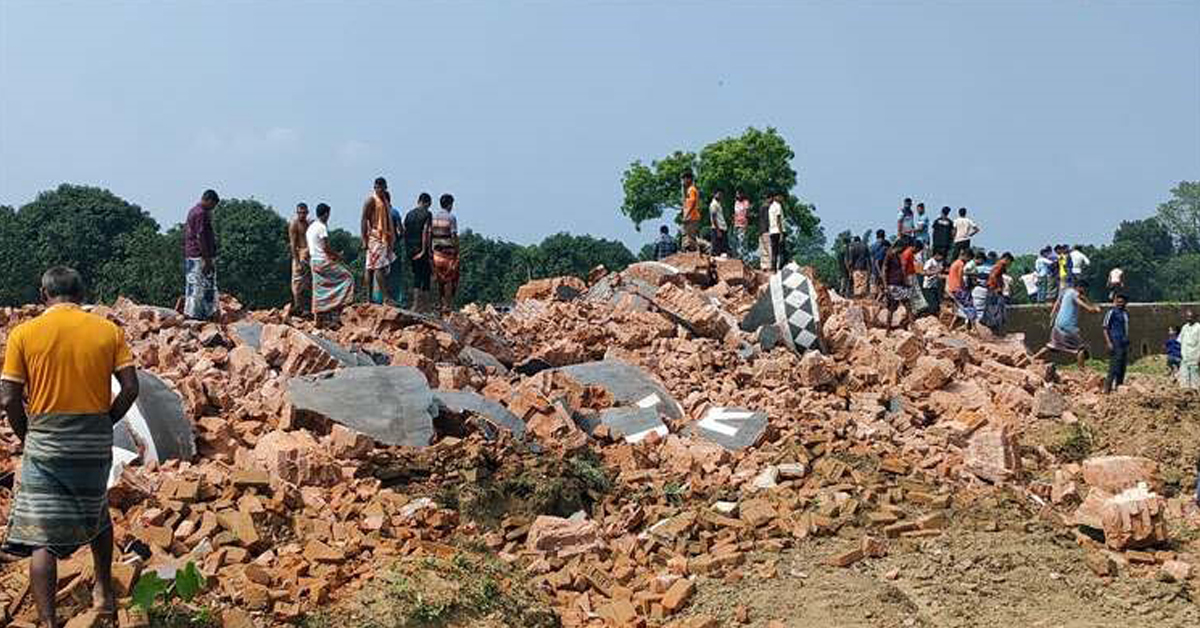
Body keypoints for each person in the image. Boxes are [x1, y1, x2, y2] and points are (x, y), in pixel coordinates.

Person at [1, 267, 139, 628]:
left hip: (46, 439)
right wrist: (104, 422)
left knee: (40, 535)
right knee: (97, 512)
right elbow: (131, 389)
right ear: (80, 294)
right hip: (93, 439)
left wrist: (25, 434)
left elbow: (9, 397)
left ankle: (48, 622)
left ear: (43, 294)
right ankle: (105, 592)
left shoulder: (24, 333)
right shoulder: (108, 331)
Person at [1033, 279, 1101, 369]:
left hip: (1058, 324)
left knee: (1052, 346)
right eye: (1084, 289)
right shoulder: (1074, 294)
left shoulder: (1066, 291)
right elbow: (1086, 307)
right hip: (1068, 326)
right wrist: (1095, 309)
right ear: (1080, 287)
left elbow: (1057, 304)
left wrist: (1052, 317)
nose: (1084, 291)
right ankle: (1081, 369)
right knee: (1081, 348)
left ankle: (1033, 358)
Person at [307, 203, 355, 326]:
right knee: (347, 278)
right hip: (323, 261)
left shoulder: (311, 227)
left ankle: (318, 317)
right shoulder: (322, 227)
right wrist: (337, 255)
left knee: (318, 288)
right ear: (326, 214)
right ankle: (339, 310)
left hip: (314, 261)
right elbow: (325, 247)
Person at [183, 189, 220, 321]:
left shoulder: (193, 211)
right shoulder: (201, 214)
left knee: (194, 285)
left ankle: (194, 313)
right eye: (213, 205)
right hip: (199, 256)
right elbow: (201, 236)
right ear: (208, 200)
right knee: (203, 286)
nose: (212, 209)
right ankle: (200, 315)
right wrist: (207, 260)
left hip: (192, 254)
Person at [361, 177, 397, 305]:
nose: (380, 189)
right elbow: (364, 219)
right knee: (377, 267)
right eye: (378, 187)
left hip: (383, 237)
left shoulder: (385, 200)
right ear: (375, 187)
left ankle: (370, 298)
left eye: (383, 187)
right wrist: (364, 239)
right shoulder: (371, 200)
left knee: (372, 266)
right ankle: (383, 297)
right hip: (375, 236)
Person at [403, 193, 434, 312]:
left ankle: (415, 305)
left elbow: (405, 232)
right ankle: (425, 306)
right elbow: (427, 232)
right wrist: (425, 250)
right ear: (427, 203)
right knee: (425, 277)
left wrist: (408, 250)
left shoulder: (409, 215)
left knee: (416, 276)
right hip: (422, 250)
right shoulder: (427, 214)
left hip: (411, 250)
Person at [431, 193, 461, 314]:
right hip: (448, 254)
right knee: (449, 280)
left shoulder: (434, 217)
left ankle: (440, 303)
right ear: (449, 204)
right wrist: (457, 250)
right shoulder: (451, 218)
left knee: (439, 280)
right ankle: (447, 306)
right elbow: (453, 235)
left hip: (436, 253)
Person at [1103, 294, 1131, 394]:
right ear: (1115, 302)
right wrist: (1109, 342)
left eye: (1122, 302)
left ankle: (1119, 387)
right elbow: (1105, 328)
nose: (1120, 304)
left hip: (1124, 343)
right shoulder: (1111, 312)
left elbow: (1126, 329)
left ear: (1125, 303)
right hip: (1115, 342)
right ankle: (1107, 388)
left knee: (1122, 366)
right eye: (1118, 302)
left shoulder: (1125, 313)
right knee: (1114, 365)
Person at [882, 240, 913, 330]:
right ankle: (888, 330)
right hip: (893, 285)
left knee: (908, 307)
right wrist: (885, 286)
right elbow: (884, 270)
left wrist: (905, 283)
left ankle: (912, 327)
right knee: (892, 308)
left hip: (900, 285)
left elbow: (901, 271)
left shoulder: (898, 256)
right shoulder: (889, 255)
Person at [980, 252, 1013, 333]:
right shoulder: (1000, 265)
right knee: (996, 309)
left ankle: (993, 327)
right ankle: (993, 327)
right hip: (994, 290)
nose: (1009, 264)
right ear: (1006, 259)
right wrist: (997, 287)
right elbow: (993, 276)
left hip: (992, 289)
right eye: (1010, 262)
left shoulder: (997, 265)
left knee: (993, 308)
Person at [288, 202, 311, 314]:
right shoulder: (294, 224)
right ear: (297, 213)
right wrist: (297, 262)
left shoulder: (309, 223)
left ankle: (307, 308)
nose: (302, 215)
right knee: (297, 281)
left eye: (304, 212)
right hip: (299, 252)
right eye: (300, 212)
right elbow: (292, 244)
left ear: (307, 213)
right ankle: (298, 306)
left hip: (309, 253)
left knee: (308, 282)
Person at [901, 240, 928, 317]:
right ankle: (915, 311)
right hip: (909, 276)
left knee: (915, 292)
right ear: (915, 247)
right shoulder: (907, 253)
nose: (917, 252)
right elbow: (903, 267)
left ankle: (917, 310)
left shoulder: (909, 253)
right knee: (913, 293)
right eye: (918, 250)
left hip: (911, 275)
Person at [680, 171, 701, 252]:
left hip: (691, 217)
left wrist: (687, 215)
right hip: (691, 216)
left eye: (684, 179)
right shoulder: (689, 190)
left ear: (689, 179)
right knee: (689, 237)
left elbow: (693, 202)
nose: (683, 182)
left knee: (689, 237)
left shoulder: (691, 189)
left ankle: (692, 254)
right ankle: (691, 252)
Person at [1180, 310, 1200, 390]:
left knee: (1195, 381)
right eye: (1187, 317)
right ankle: (1186, 398)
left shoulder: (1198, 328)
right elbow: (1180, 341)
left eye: (1190, 317)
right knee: (1184, 381)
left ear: (1195, 317)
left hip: (1195, 358)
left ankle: (1196, 399)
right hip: (1185, 358)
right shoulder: (1185, 327)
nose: (1189, 318)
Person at [922, 249, 945, 315]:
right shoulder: (930, 262)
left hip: (935, 285)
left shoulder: (940, 262)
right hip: (928, 285)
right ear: (936, 255)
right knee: (932, 303)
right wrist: (935, 272)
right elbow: (925, 272)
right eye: (940, 256)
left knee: (937, 303)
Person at [869, 229, 890, 296]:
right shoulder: (887, 245)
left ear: (876, 236)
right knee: (884, 290)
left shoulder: (872, 246)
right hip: (884, 271)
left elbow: (872, 260)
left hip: (874, 271)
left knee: (875, 290)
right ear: (884, 236)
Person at [768, 192, 785, 271]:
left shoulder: (771, 207)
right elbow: (778, 219)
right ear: (776, 197)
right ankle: (780, 268)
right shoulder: (778, 206)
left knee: (774, 251)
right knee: (781, 251)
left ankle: (773, 268)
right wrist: (781, 233)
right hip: (778, 231)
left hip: (772, 231)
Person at [709, 190, 728, 257]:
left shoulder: (718, 204)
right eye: (718, 194)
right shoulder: (714, 204)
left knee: (723, 250)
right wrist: (718, 230)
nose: (720, 196)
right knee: (717, 250)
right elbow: (714, 218)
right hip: (718, 228)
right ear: (714, 194)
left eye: (721, 194)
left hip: (722, 227)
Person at [733, 190, 750, 257]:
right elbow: (735, 213)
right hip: (736, 224)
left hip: (743, 224)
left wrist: (746, 224)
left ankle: (743, 257)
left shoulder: (746, 202)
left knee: (742, 241)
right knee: (736, 241)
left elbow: (747, 213)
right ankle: (737, 256)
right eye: (737, 194)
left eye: (739, 194)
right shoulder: (736, 202)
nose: (738, 195)